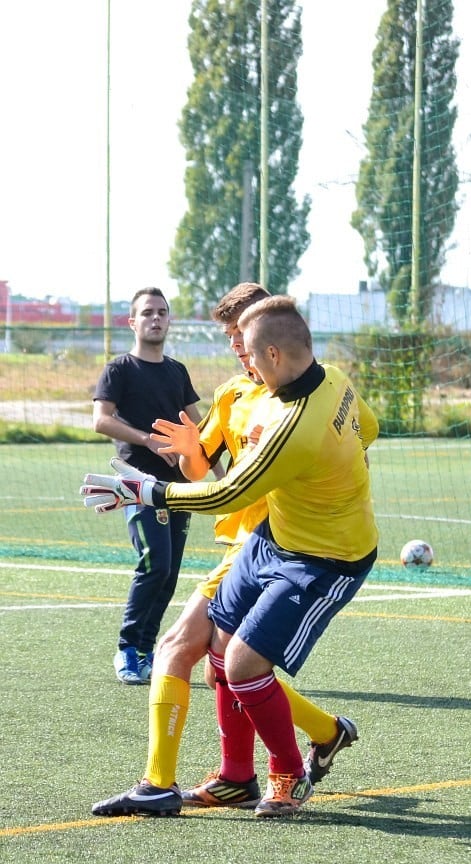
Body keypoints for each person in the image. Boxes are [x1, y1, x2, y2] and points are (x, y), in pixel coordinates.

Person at [82, 294, 379, 818]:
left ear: (272, 349)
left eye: (242, 340)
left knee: (231, 662)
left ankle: (285, 773)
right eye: (228, 338)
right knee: (220, 656)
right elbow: (365, 430)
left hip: (323, 556)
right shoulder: (310, 383)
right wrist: (193, 454)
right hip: (270, 537)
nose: (236, 349)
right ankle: (242, 774)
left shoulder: (293, 421)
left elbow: (226, 494)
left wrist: (149, 492)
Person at [92, 287, 201, 684]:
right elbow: (101, 420)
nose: (156, 318)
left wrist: (221, 470)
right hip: (139, 483)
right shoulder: (118, 370)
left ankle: (145, 651)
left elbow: (197, 428)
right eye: (148, 313)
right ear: (133, 322)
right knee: (154, 563)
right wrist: (150, 439)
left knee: (169, 571)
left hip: (179, 487)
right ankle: (126, 649)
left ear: (169, 321)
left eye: (162, 313)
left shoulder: (177, 371)